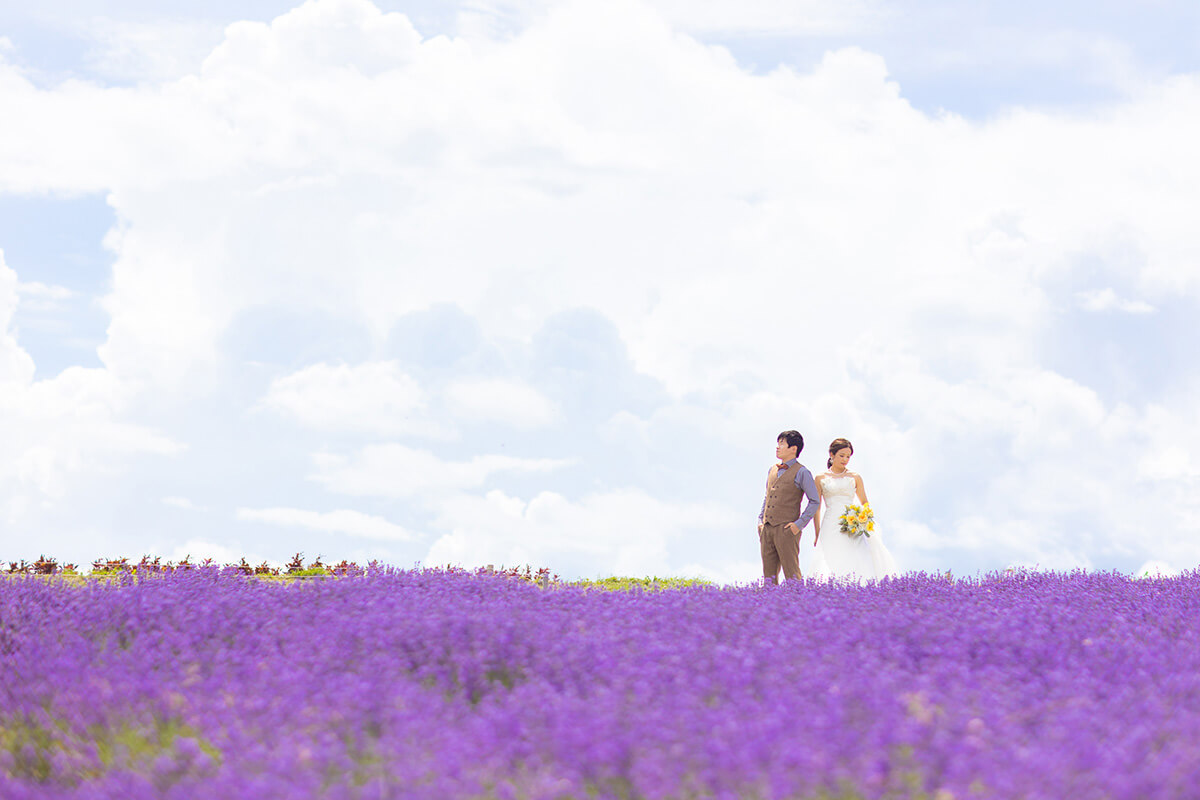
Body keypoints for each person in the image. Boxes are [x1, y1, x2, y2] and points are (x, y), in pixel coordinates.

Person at [811, 438, 898, 582]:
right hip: (830, 523)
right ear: (831, 454)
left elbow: (864, 502)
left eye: (848, 456)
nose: (845, 459)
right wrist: (817, 531)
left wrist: (862, 519)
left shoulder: (855, 477)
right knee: (831, 557)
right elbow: (817, 507)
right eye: (841, 455)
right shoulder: (820, 478)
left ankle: (860, 589)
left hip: (851, 524)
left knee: (856, 556)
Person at [757, 430, 820, 584]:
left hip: (787, 530)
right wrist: (760, 520)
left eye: (782, 444)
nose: (777, 447)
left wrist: (798, 525)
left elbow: (814, 501)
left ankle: (800, 605)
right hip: (767, 528)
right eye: (778, 444)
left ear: (793, 449)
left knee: (792, 575)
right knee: (768, 578)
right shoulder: (772, 470)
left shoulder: (802, 472)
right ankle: (770, 607)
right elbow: (767, 496)